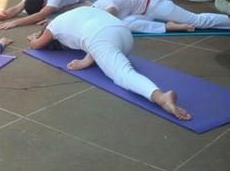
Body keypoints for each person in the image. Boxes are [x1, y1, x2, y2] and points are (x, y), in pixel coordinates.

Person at [27, 6, 192, 121]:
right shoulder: (70, 15)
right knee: (100, 46)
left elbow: (37, 45)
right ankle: (160, 97)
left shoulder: (53, 28)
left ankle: (161, 98)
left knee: (123, 75)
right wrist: (85, 61)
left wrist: (33, 38)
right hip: (124, 34)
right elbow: (89, 34)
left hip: (103, 36)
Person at [92, 0, 230, 33]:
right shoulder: (97, 5)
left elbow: (108, 16)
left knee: (197, 21)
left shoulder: (106, 6)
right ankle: (168, 26)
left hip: (155, 5)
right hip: (141, 12)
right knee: (126, 24)